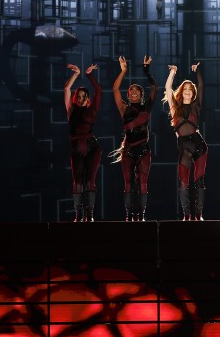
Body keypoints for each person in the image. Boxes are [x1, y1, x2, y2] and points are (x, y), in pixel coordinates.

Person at [110, 55, 157, 221]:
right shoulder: (124, 108)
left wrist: (146, 70)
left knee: (143, 183)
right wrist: (123, 71)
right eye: (131, 90)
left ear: (141, 95)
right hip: (129, 151)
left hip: (144, 150)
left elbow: (154, 89)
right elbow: (115, 89)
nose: (134, 91)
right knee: (128, 184)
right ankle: (129, 216)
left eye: (137, 90)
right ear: (129, 95)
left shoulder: (146, 107)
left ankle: (141, 215)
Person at [164, 62, 208, 220]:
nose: (188, 91)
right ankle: (186, 214)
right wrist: (173, 72)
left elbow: (201, 87)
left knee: (199, 181)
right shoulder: (174, 107)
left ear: (193, 92)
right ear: (181, 92)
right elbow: (168, 88)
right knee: (183, 182)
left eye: (190, 89)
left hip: (199, 144)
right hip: (184, 146)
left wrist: (197, 72)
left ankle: (199, 214)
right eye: (186, 89)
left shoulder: (197, 106)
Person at [63, 63, 102, 222]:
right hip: (76, 147)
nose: (80, 99)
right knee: (77, 181)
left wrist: (89, 75)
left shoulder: (92, 109)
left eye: (84, 96)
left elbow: (98, 90)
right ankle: (79, 215)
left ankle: (90, 215)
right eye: (78, 96)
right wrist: (76, 74)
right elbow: (66, 89)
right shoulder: (71, 110)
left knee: (89, 181)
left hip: (92, 146)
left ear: (88, 99)